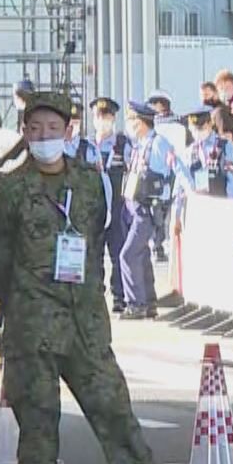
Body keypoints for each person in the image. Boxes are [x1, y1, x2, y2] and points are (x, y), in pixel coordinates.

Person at [0, 91, 183, 464]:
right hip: (33, 324)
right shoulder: (12, 190)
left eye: (52, 129)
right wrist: (19, 301)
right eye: (35, 129)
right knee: (38, 422)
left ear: (69, 131)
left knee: (115, 411)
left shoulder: (89, 183)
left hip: (84, 323)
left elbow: (97, 236)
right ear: (25, 133)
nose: (44, 137)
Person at [118, 105, 190, 319]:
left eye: (132, 120)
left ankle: (136, 304)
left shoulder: (159, 143)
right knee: (141, 255)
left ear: (141, 122)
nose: (130, 125)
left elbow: (177, 169)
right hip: (134, 206)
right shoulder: (140, 145)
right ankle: (149, 302)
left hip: (148, 210)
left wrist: (190, 191)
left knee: (128, 255)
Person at [88, 98, 133, 314]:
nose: (102, 121)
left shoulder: (123, 144)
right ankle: (96, 297)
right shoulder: (87, 146)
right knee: (94, 255)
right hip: (93, 209)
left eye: (106, 116)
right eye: (99, 116)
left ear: (113, 119)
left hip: (117, 207)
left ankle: (119, 296)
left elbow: (133, 171)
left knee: (118, 253)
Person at [189, 107, 233, 199]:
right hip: (199, 202)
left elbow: (232, 179)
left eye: (201, 128)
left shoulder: (226, 146)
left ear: (210, 124)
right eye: (194, 130)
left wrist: (231, 203)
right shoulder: (191, 150)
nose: (197, 133)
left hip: (220, 201)